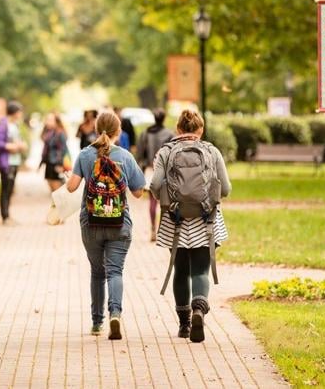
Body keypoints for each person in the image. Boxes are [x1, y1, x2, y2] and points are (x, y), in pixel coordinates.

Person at [150, 109, 231, 343]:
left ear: (178, 130)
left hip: (174, 220)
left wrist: (167, 200)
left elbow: (155, 184)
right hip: (206, 220)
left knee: (181, 270)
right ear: (200, 130)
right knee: (200, 270)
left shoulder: (166, 152)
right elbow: (224, 189)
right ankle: (199, 309)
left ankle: (184, 325)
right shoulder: (211, 151)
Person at [66, 111, 146, 340]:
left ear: (95, 128)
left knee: (97, 272)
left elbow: (71, 188)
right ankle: (115, 313)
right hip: (119, 223)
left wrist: (69, 177)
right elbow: (139, 192)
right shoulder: (125, 157)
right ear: (118, 131)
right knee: (115, 271)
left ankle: (96, 323)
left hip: (91, 223)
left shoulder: (84, 155)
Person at [136, 108, 174, 242]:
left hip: (150, 171)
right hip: (165, 171)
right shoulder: (170, 134)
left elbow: (139, 155)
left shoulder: (145, 133)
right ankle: (162, 231)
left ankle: (153, 228)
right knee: (164, 202)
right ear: (163, 118)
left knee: (152, 201)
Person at [0, 101, 28, 225]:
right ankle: (5, 217)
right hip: (6, 162)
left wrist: (21, 145)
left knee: (11, 189)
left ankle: (8, 215)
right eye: (19, 112)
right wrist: (10, 146)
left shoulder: (15, 125)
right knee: (5, 189)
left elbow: (17, 140)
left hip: (15, 161)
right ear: (14, 113)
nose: (20, 114)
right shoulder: (3, 125)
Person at [40, 112, 69, 192]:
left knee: (56, 188)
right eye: (47, 119)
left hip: (56, 163)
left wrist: (60, 164)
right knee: (50, 184)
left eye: (50, 120)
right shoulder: (50, 132)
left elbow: (63, 150)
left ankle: (58, 204)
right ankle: (55, 204)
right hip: (49, 162)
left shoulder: (60, 133)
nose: (47, 122)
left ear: (56, 121)